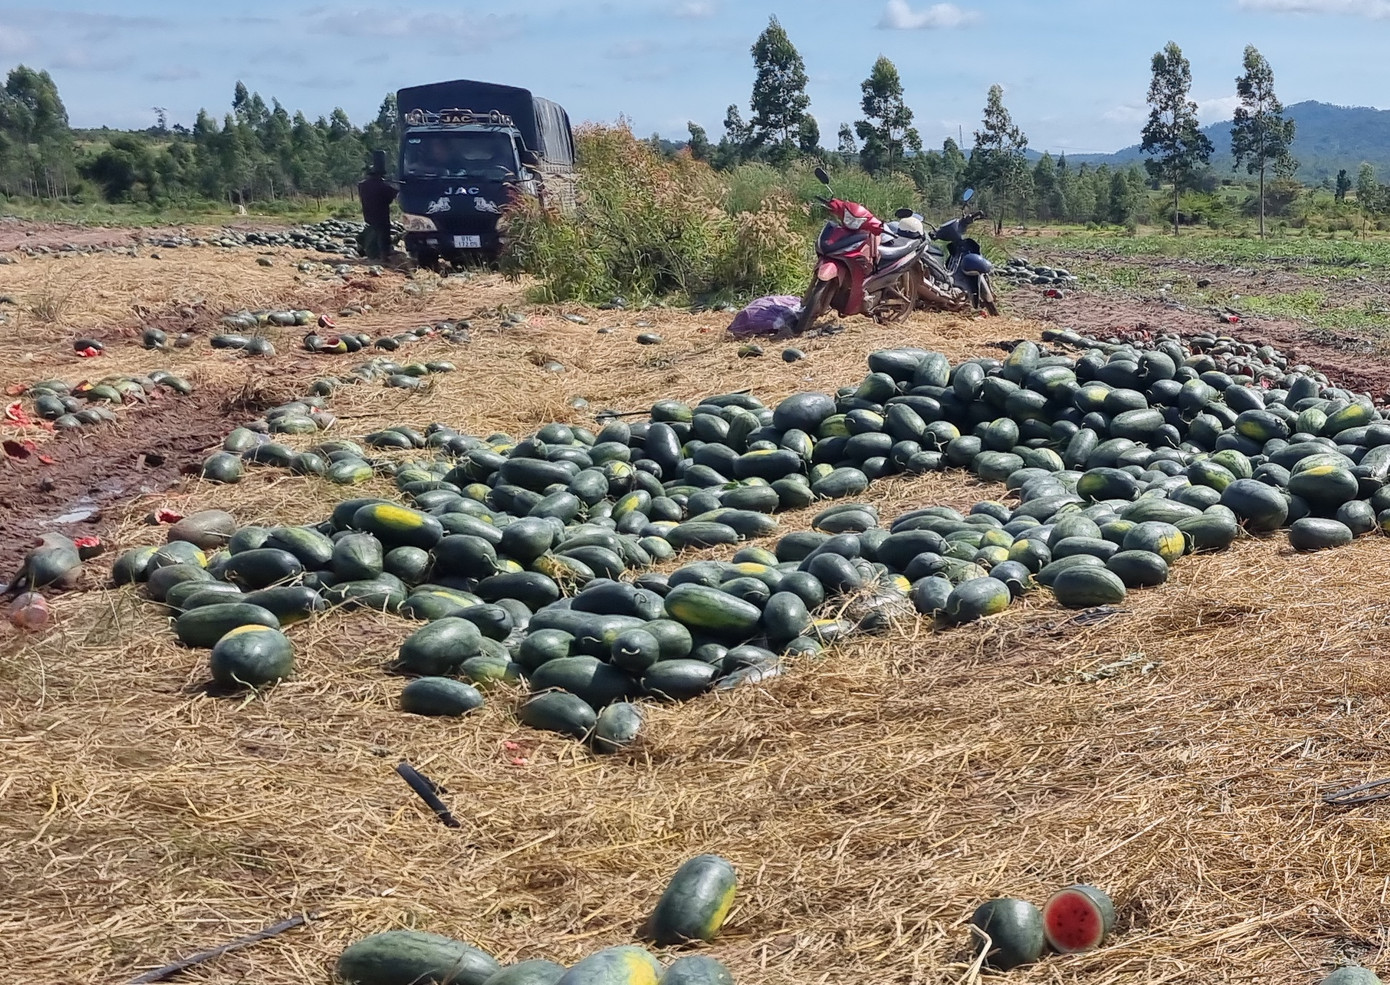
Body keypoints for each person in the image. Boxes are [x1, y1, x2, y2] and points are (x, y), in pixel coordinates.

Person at [357, 150, 398, 261]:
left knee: (372, 230)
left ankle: (361, 243)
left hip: (369, 214)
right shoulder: (382, 186)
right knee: (383, 235)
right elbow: (392, 194)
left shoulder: (363, 185)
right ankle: (383, 256)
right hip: (381, 215)